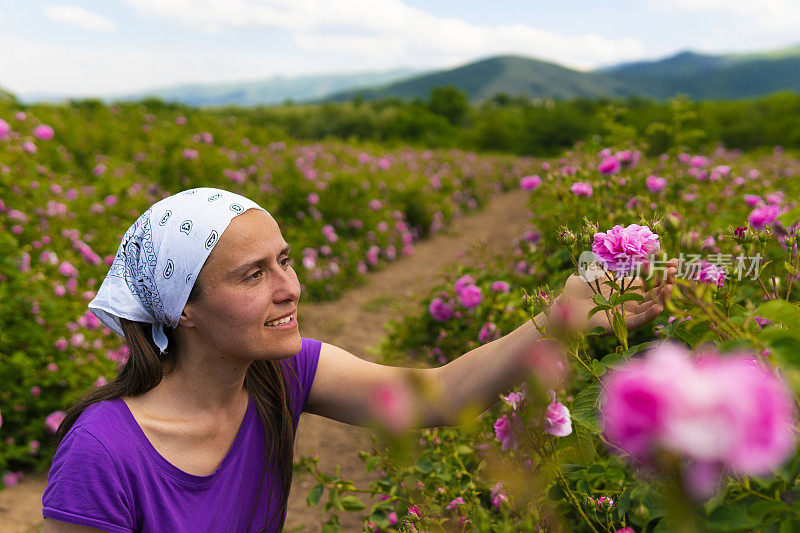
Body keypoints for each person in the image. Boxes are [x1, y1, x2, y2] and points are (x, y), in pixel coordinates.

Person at [41, 187, 676, 532]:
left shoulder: (282, 375)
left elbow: (443, 395)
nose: (289, 287)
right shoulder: (105, 454)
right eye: (253, 274)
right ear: (182, 309)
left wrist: (561, 316)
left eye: (285, 260)